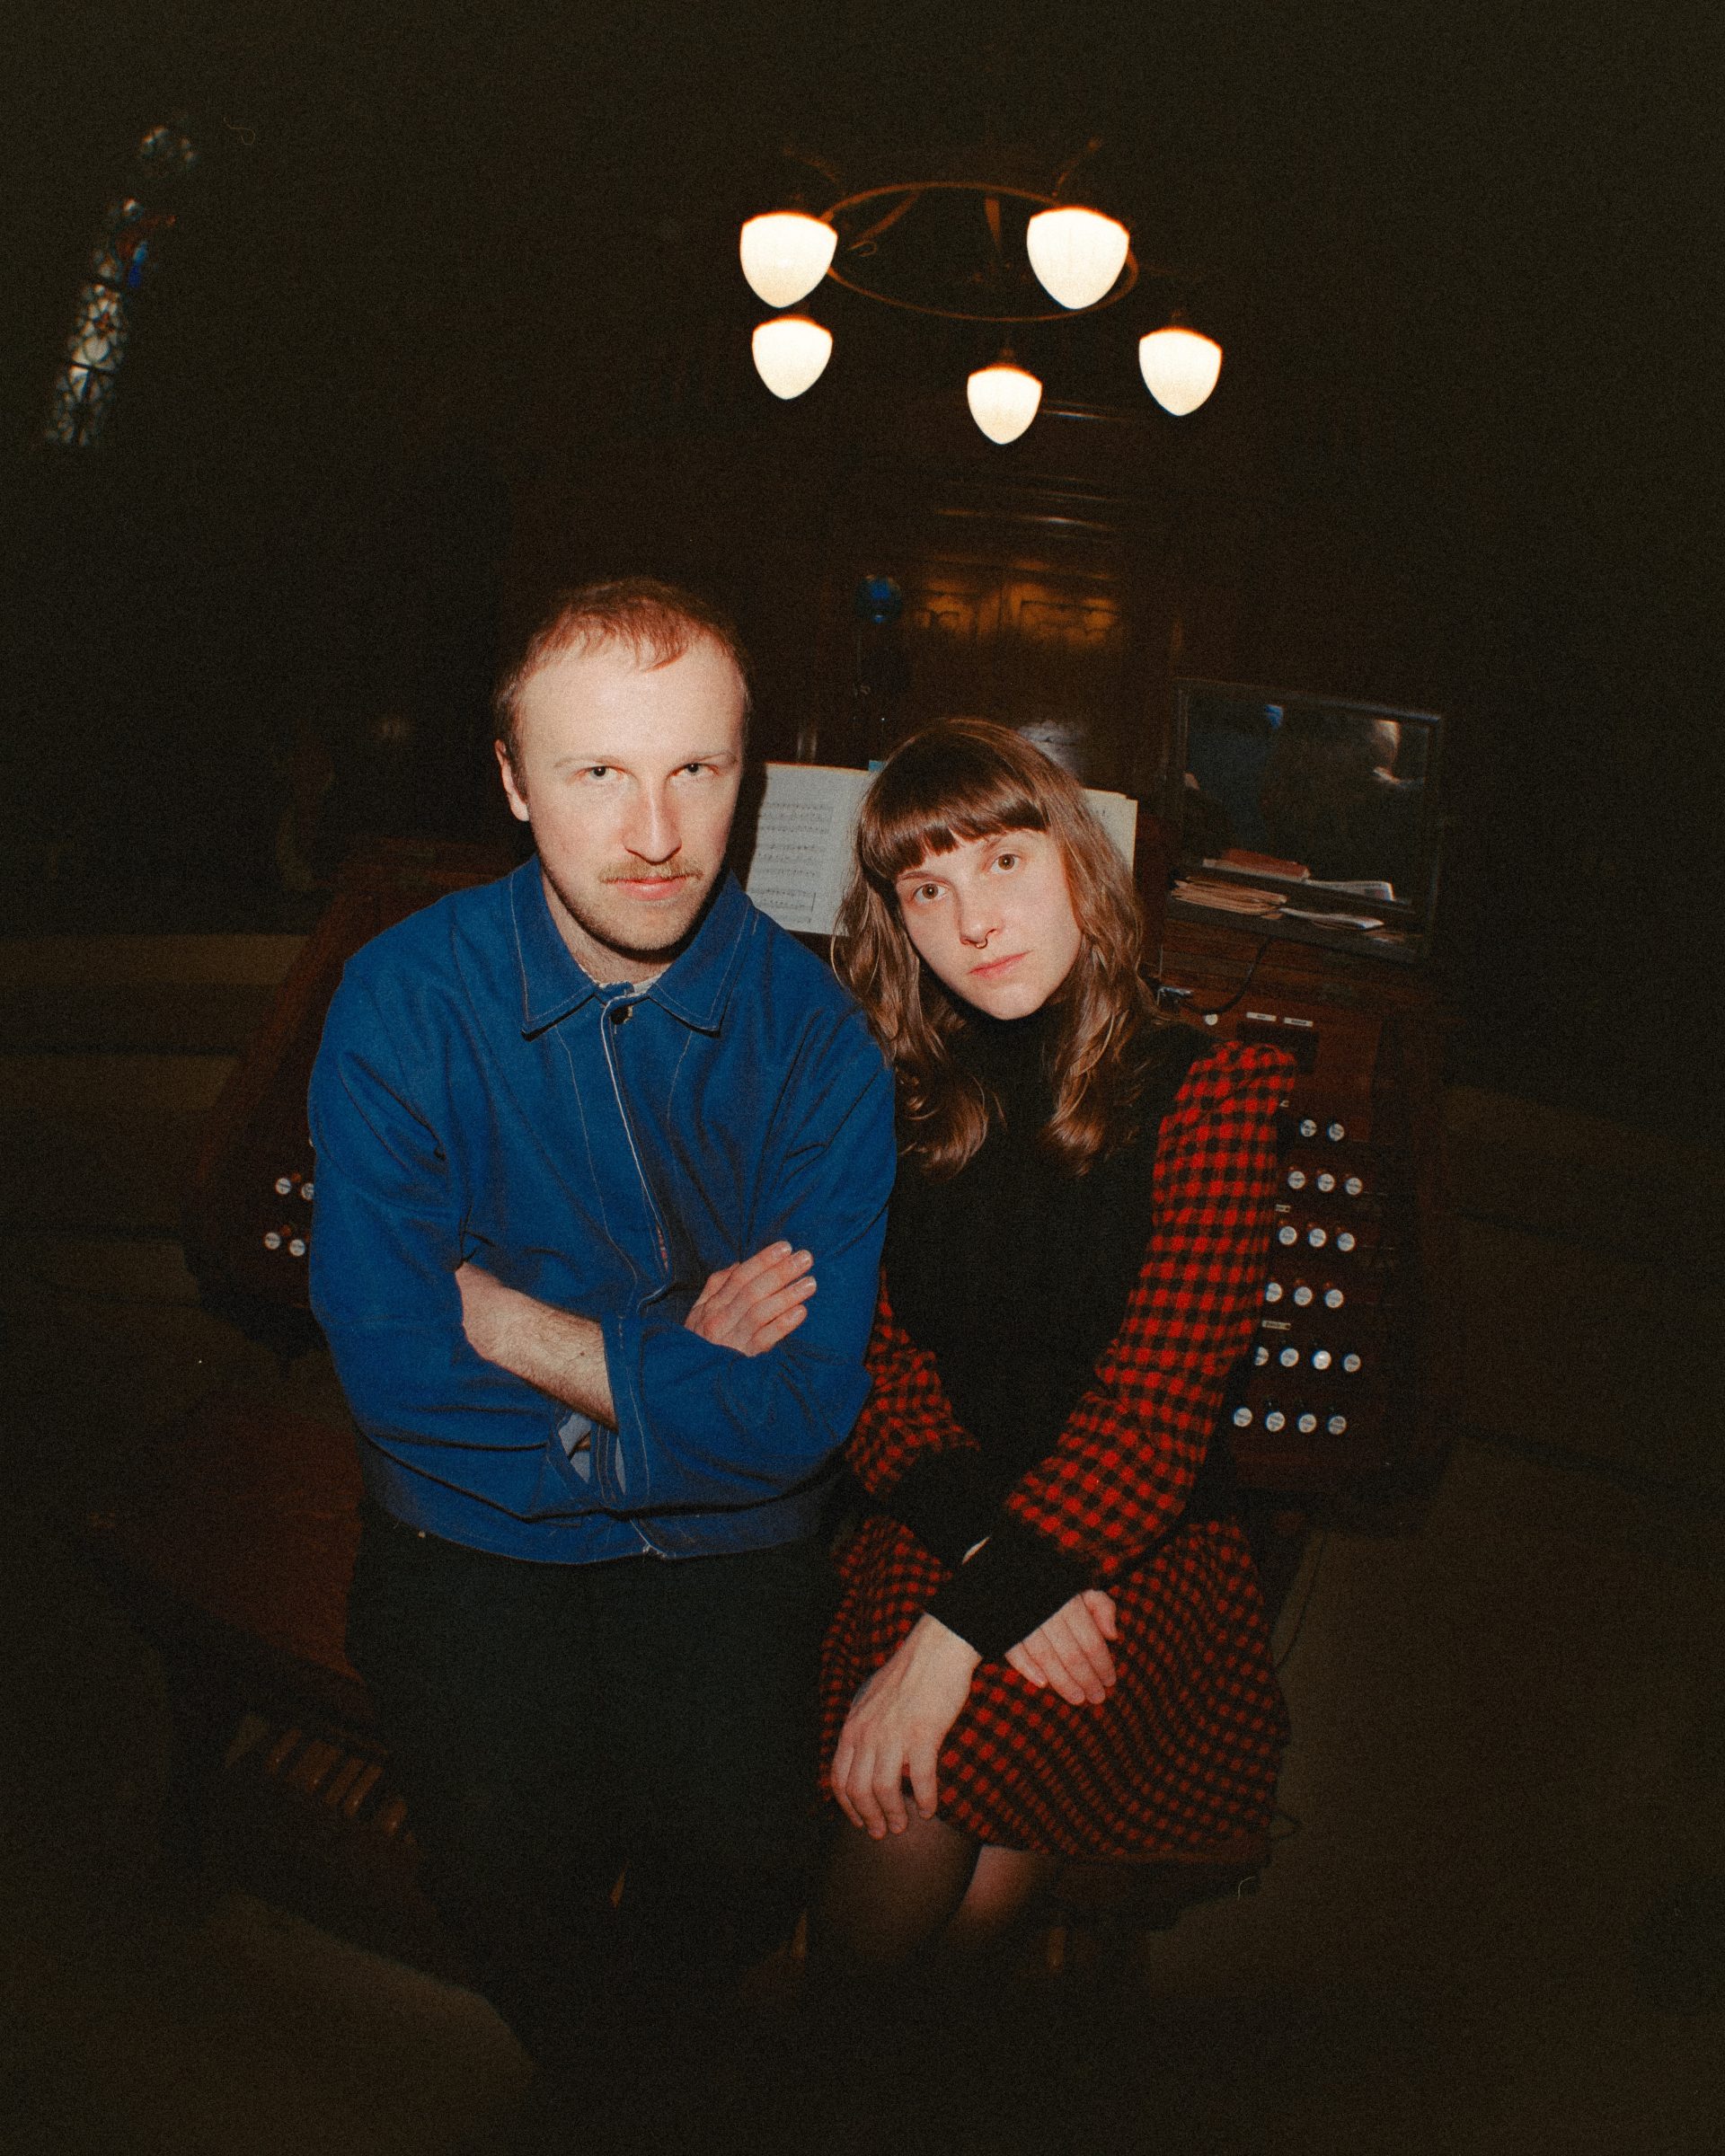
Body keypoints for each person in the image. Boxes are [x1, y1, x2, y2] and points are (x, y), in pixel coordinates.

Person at [306, 579, 895, 2064]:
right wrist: (682, 1366)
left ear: (750, 775)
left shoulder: (821, 1042)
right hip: (474, 1517)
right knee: (506, 1862)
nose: (656, 833)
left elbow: (804, 1410)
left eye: (697, 768)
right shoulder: (401, 998)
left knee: (750, 1864)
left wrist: (515, 1324)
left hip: (726, 1538)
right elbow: (394, 1369)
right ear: (513, 782)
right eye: (597, 774)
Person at [816, 718, 1292, 1969]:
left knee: (959, 1859)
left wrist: (953, 1639)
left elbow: (1156, 1416)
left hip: (1140, 1537)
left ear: (1079, 861)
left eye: (1006, 862)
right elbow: (872, 1372)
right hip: (942, 1507)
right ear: (896, 924)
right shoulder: (884, 1094)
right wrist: (989, 1567)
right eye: (927, 889)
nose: (975, 922)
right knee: (911, 1816)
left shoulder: (1209, 1093)